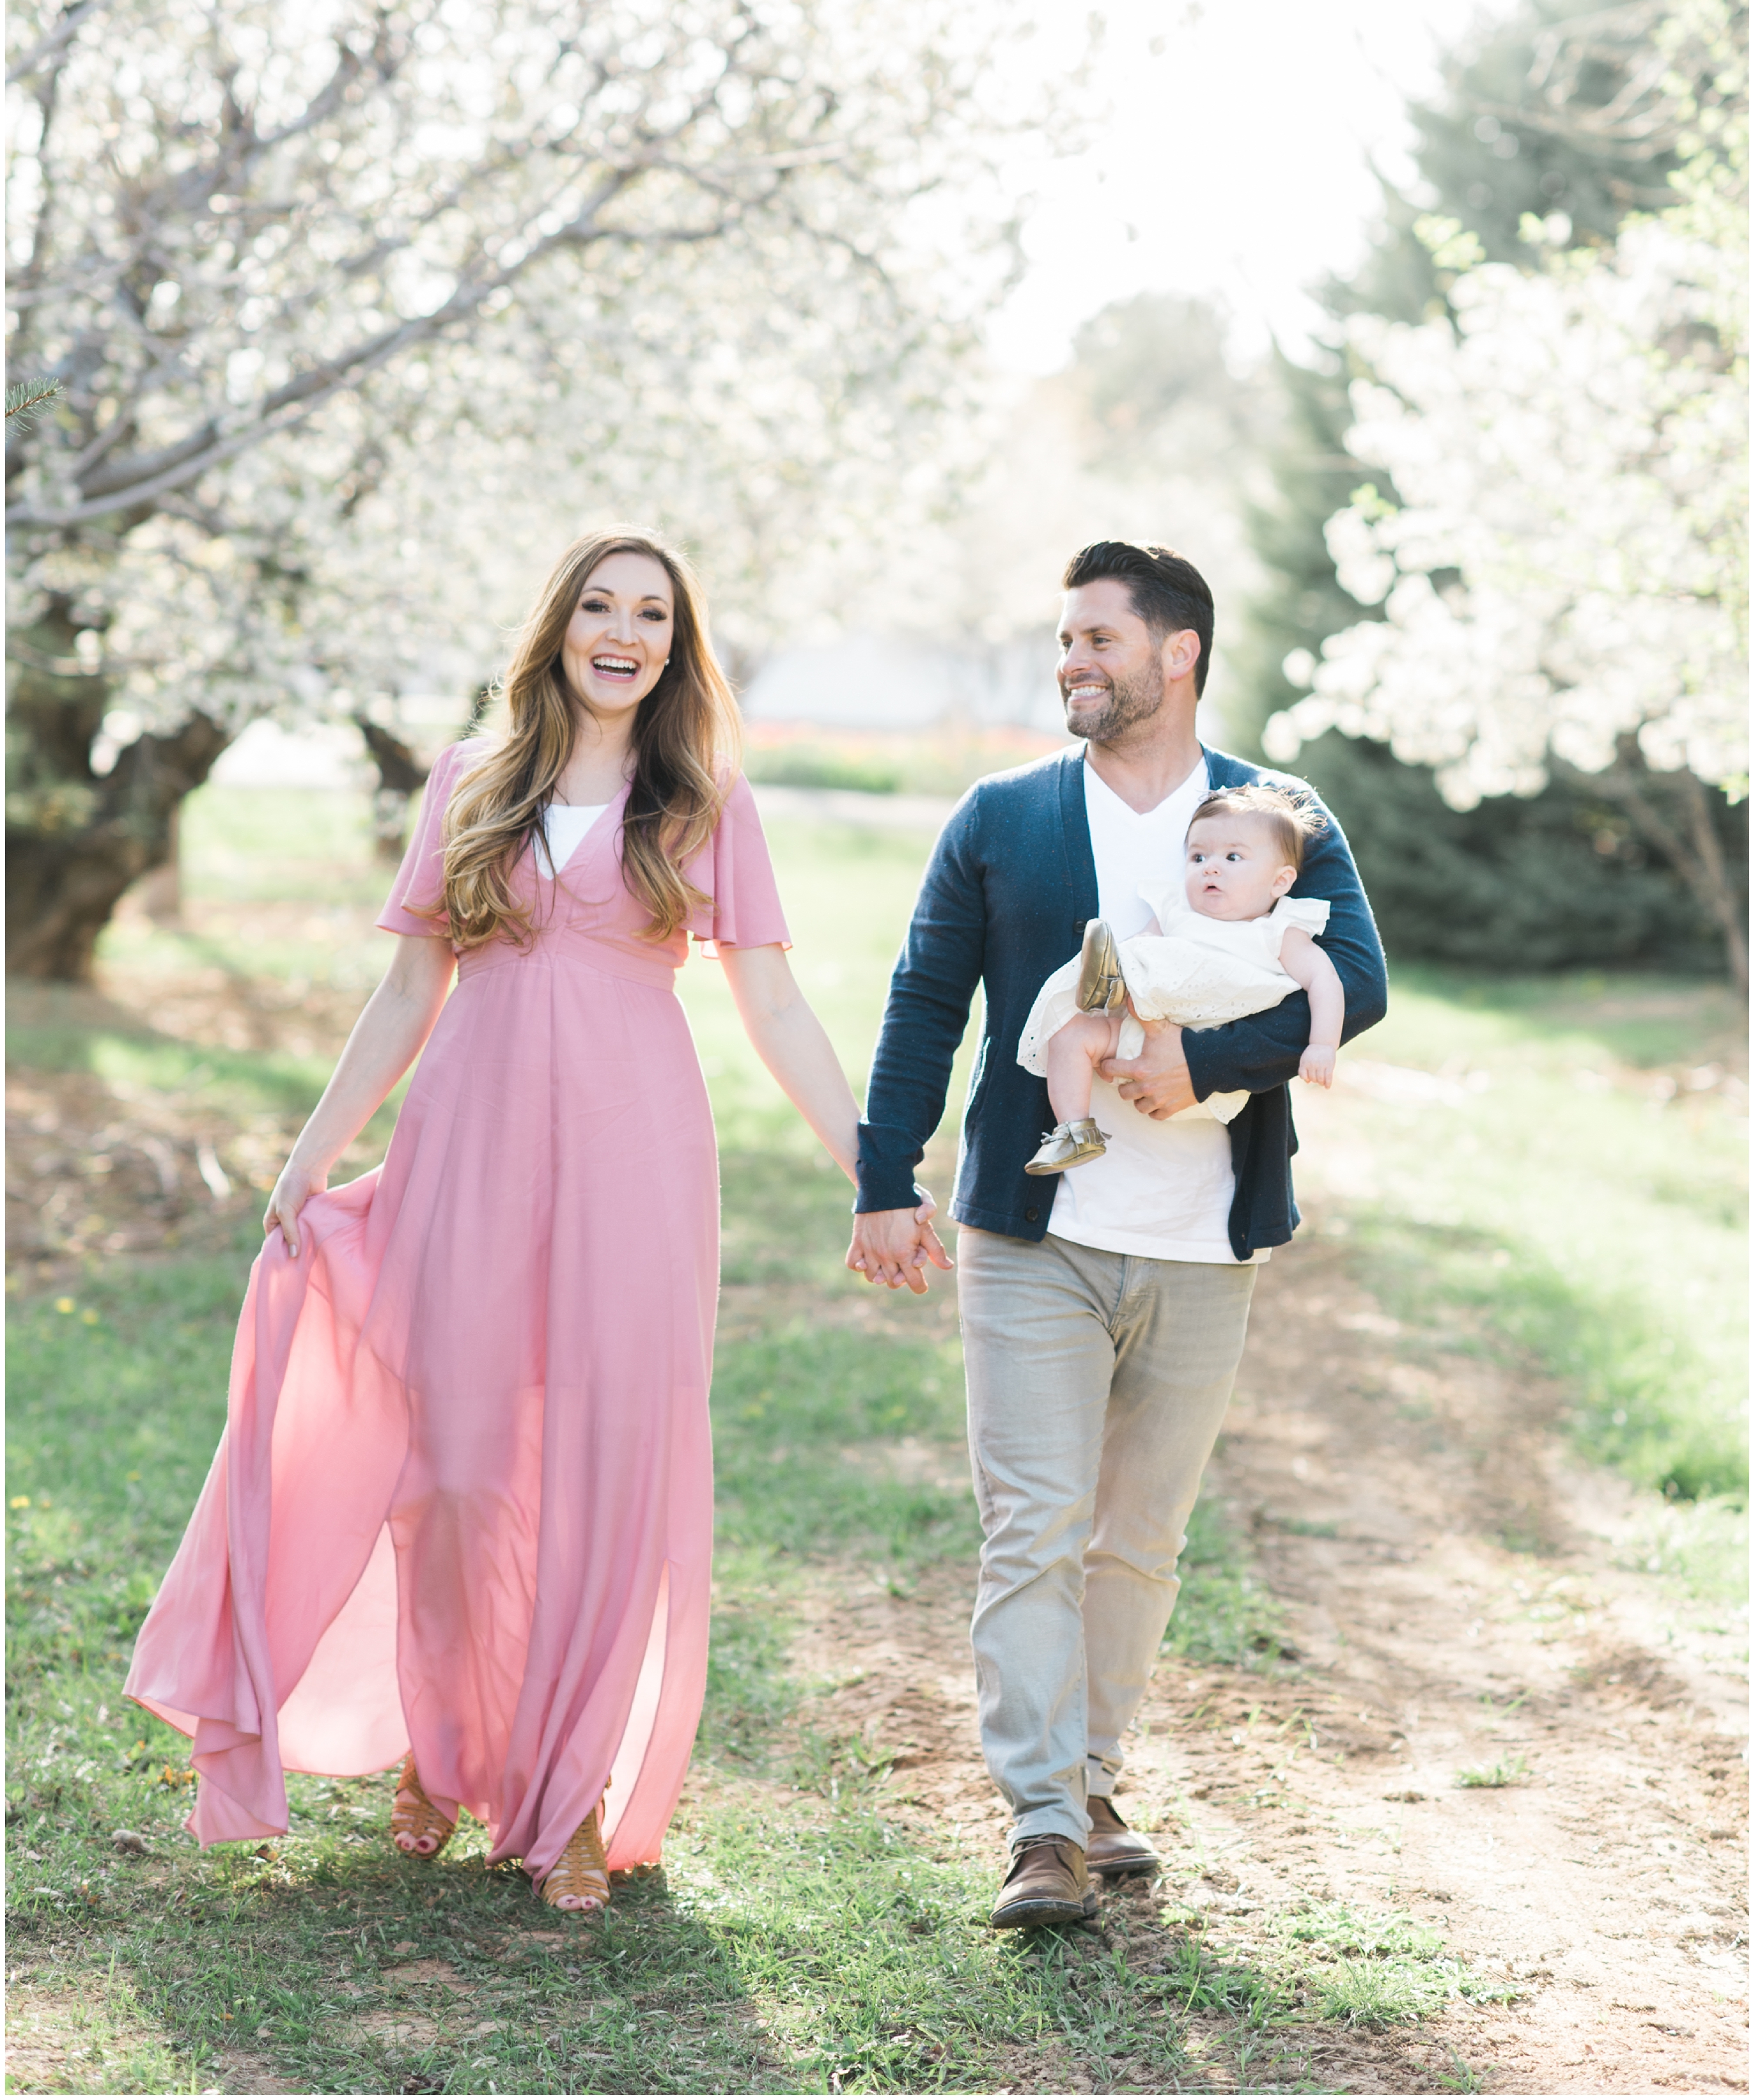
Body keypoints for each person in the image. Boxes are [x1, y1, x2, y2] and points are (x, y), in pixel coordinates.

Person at [127, 528, 902, 1914]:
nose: (623, 632)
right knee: (459, 1473)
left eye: (651, 614)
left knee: (609, 1471)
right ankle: (446, 1746)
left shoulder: (703, 799)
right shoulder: (471, 781)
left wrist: (870, 1166)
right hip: (468, 1147)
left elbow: (771, 1003)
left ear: (675, 643)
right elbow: (406, 991)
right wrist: (311, 1155)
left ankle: (574, 1800)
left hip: (632, 1160)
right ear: (555, 629)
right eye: (598, 607)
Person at [847, 539, 1386, 1930]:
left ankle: (1090, 1781)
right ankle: (1038, 1824)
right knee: (1032, 1527)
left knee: (1138, 1540)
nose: (1070, 661)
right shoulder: (1002, 815)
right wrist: (881, 1175)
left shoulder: (1272, 812)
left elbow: (1357, 986)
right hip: (1034, 1232)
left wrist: (1202, 1074)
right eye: (1064, 639)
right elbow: (924, 997)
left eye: (1097, 638)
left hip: (1206, 1245)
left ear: (1177, 653)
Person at [1019, 783, 1346, 1175]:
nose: (1210, 866)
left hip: (1205, 1051)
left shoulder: (1277, 931)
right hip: (1140, 1034)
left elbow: (1325, 979)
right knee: (1070, 1035)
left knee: (1138, 960)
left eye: (1232, 857)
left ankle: (1110, 981)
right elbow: (1145, 946)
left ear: (1279, 882)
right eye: (1198, 856)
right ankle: (1074, 1131)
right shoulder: (1176, 908)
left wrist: (1322, 1045)